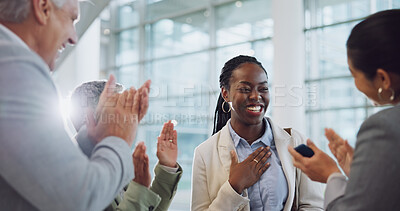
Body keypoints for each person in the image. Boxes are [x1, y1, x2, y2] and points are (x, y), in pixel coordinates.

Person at [0, 0, 149, 210]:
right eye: (71, 18)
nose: (73, 37)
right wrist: (119, 138)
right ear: (42, 8)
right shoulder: (15, 70)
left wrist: (93, 138)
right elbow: (80, 199)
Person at [288, 9, 400, 211]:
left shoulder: (384, 126)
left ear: (383, 78)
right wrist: (361, 175)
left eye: (353, 73)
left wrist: (332, 175)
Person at [191, 55, 324, 211]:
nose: (256, 96)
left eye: (263, 88)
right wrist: (234, 186)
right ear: (225, 94)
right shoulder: (204, 153)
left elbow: (314, 206)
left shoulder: (296, 141)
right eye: (245, 89)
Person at [70, 81, 182, 211]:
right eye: (121, 111)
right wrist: (139, 190)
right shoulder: (74, 175)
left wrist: (166, 166)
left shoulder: (114, 160)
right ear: (91, 119)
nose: (131, 120)